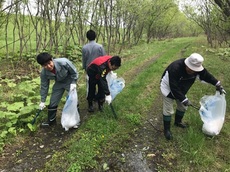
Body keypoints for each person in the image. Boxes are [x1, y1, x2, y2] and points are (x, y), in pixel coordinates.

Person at [160, 53, 226, 140]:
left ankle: (178, 122)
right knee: (168, 109)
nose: (192, 71)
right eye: (190, 69)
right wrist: (183, 99)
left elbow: (207, 76)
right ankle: (167, 130)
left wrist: (217, 84)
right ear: (187, 64)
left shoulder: (197, 69)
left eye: (194, 70)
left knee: (183, 107)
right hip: (168, 88)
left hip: (182, 88)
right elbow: (173, 87)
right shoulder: (175, 68)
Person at [36, 52, 78, 127]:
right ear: (42, 66)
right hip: (59, 83)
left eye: (49, 63)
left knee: (72, 99)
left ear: (52, 60)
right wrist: (42, 101)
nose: (48, 66)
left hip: (69, 81)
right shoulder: (44, 73)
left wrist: (74, 82)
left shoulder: (63, 62)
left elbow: (74, 72)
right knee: (53, 101)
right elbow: (44, 86)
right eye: (45, 65)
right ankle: (51, 121)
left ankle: (75, 120)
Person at [82, 30, 106, 96]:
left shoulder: (84, 48)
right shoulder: (100, 47)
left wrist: (84, 67)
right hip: (99, 69)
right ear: (95, 37)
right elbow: (104, 58)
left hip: (89, 69)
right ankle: (99, 98)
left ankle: (90, 99)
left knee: (90, 85)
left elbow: (84, 59)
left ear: (87, 37)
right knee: (100, 83)